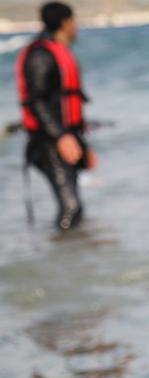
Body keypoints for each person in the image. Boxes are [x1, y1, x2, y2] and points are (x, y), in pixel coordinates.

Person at [15, 2, 91, 230]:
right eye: (73, 21)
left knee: (74, 204)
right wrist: (60, 137)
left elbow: (65, 103)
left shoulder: (56, 50)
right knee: (71, 207)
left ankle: (68, 254)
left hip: (65, 137)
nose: (76, 26)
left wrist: (81, 144)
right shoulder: (40, 55)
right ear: (65, 22)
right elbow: (34, 101)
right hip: (47, 143)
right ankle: (62, 253)